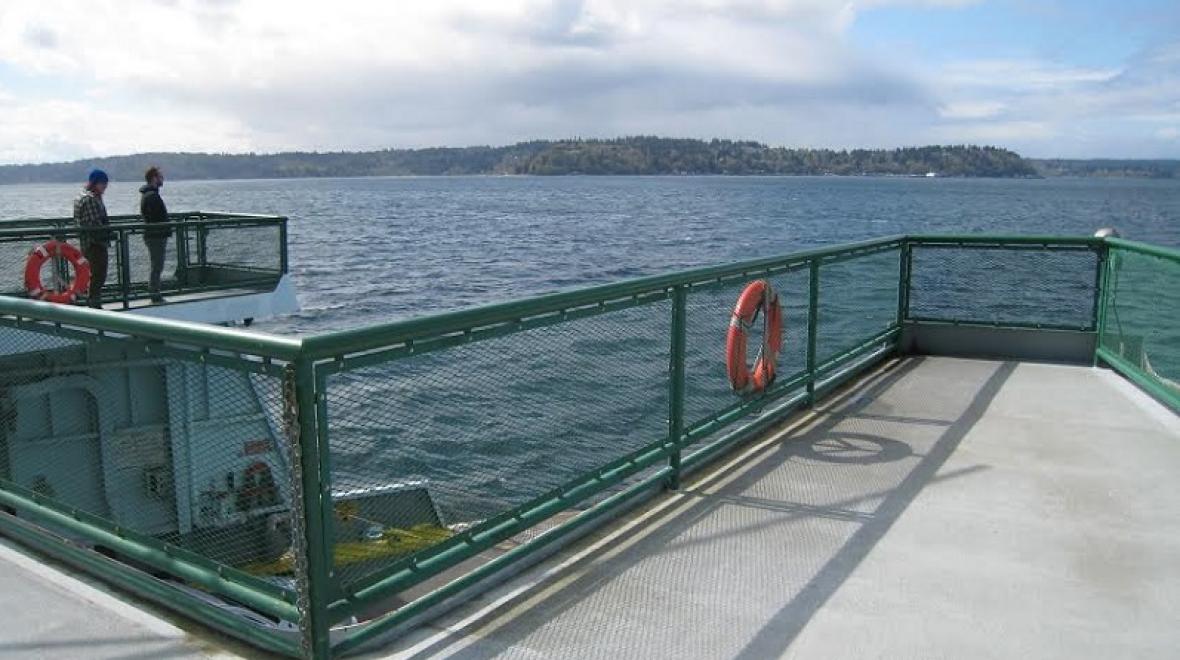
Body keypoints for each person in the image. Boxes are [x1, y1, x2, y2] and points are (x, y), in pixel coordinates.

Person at [73, 169, 111, 308]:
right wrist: (108, 233)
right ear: (95, 183)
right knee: (98, 274)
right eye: (103, 183)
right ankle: (94, 303)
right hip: (95, 244)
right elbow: (94, 225)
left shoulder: (81, 196)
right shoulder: (90, 199)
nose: (105, 186)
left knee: (92, 274)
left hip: (86, 243)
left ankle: (92, 301)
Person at [139, 166, 171, 303]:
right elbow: (155, 217)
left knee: (157, 264)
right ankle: (154, 293)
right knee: (157, 265)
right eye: (160, 176)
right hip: (156, 235)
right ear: (154, 178)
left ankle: (154, 291)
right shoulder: (152, 196)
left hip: (154, 235)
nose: (162, 179)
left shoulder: (149, 195)